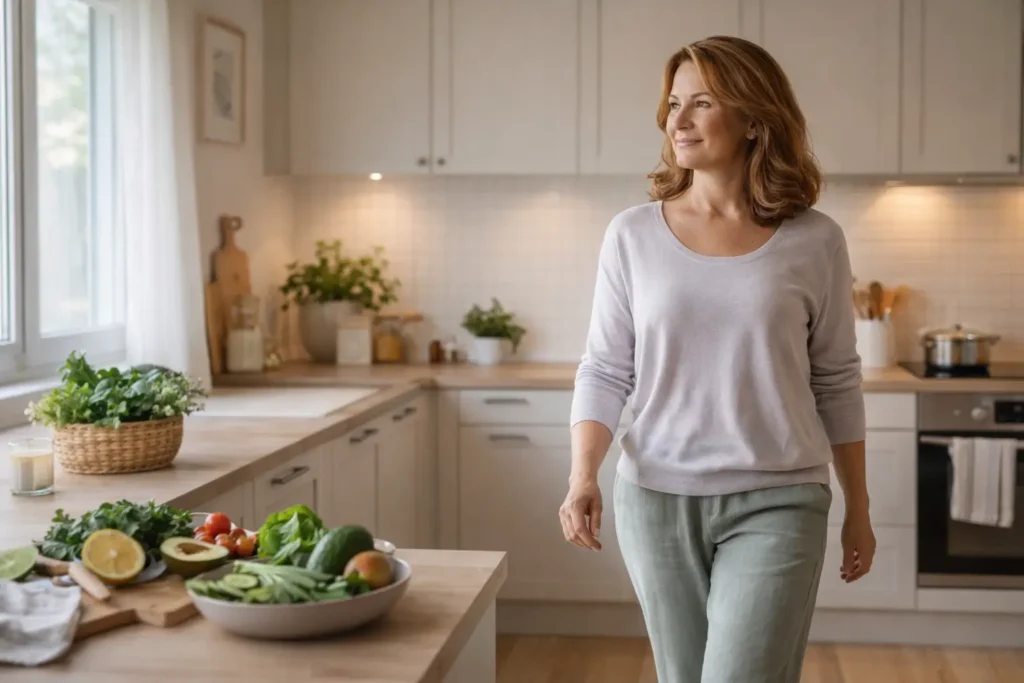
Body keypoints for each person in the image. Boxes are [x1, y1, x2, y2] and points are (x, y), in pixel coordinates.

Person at [559, 35, 875, 683]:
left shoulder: (815, 239)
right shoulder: (632, 234)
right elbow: (605, 367)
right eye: (674, 103)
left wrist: (860, 507)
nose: (677, 120)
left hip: (780, 496)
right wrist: (583, 472)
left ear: (755, 118)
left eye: (701, 103)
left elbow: (837, 378)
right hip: (654, 498)